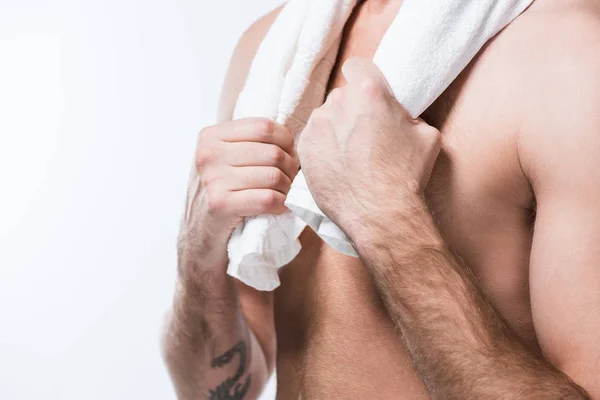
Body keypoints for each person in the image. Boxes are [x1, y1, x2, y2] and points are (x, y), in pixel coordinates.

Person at [162, 0, 600, 398]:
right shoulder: (276, 54)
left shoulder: (571, 54)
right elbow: (217, 391)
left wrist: (387, 219)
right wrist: (198, 251)